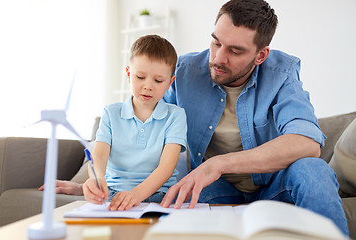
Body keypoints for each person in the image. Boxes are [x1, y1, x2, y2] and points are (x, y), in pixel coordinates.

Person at [159, 0, 349, 236]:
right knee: (191, 192)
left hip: (273, 184)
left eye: (235, 51)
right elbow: (149, 128)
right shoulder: (185, 71)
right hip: (215, 188)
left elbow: (306, 143)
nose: (218, 58)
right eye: (216, 42)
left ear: (261, 55)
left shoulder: (282, 73)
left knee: (314, 171)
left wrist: (218, 163)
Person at [82, 34, 187, 211]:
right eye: (140, 77)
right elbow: (99, 156)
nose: (148, 86)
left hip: (160, 194)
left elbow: (167, 166)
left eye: (158, 80)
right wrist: (97, 178)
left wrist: (137, 194)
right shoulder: (111, 113)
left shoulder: (176, 116)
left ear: (170, 83)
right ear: (129, 74)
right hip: (114, 192)